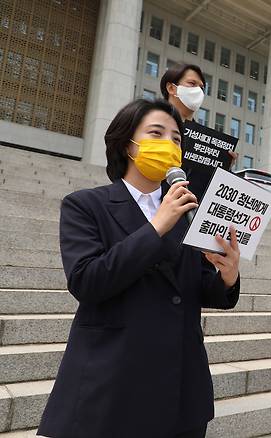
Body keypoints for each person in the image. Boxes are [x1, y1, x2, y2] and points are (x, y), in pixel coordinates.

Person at [37, 99, 241, 438]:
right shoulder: (86, 205)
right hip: (114, 384)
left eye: (176, 139)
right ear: (127, 144)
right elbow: (87, 281)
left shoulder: (187, 213)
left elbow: (201, 288)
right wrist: (156, 227)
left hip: (180, 386)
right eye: (156, 133)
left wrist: (227, 275)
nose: (169, 145)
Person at [160, 62, 238, 166]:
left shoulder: (204, 140)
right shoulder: (148, 122)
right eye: (192, 83)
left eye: (201, 88)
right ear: (171, 88)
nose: (198, 91)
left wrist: (223, 167)